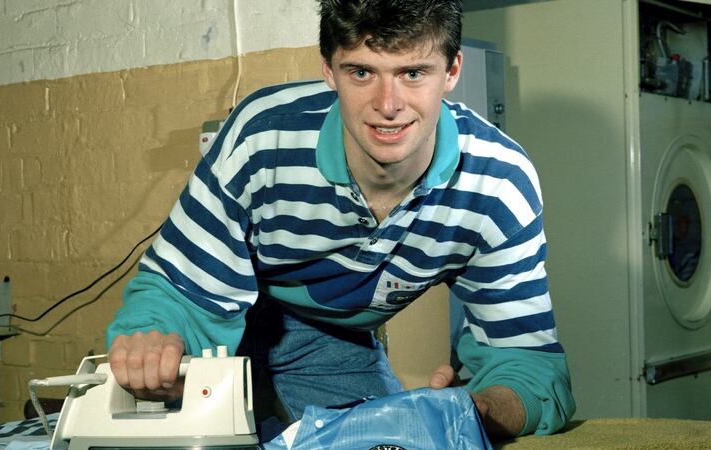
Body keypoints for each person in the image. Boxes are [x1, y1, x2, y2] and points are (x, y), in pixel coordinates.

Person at [106, 0, 575, 439]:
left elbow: (526, 363)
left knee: (396, 440)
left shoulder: (498, 185)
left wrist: (476, 412)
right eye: (362, 72)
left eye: (413, 72)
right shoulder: (260, 137)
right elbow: (179, 292)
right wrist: (153, 344)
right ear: (328, 69)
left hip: (327, 339)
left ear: (452, 70)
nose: (388, 105)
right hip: (221, 322)